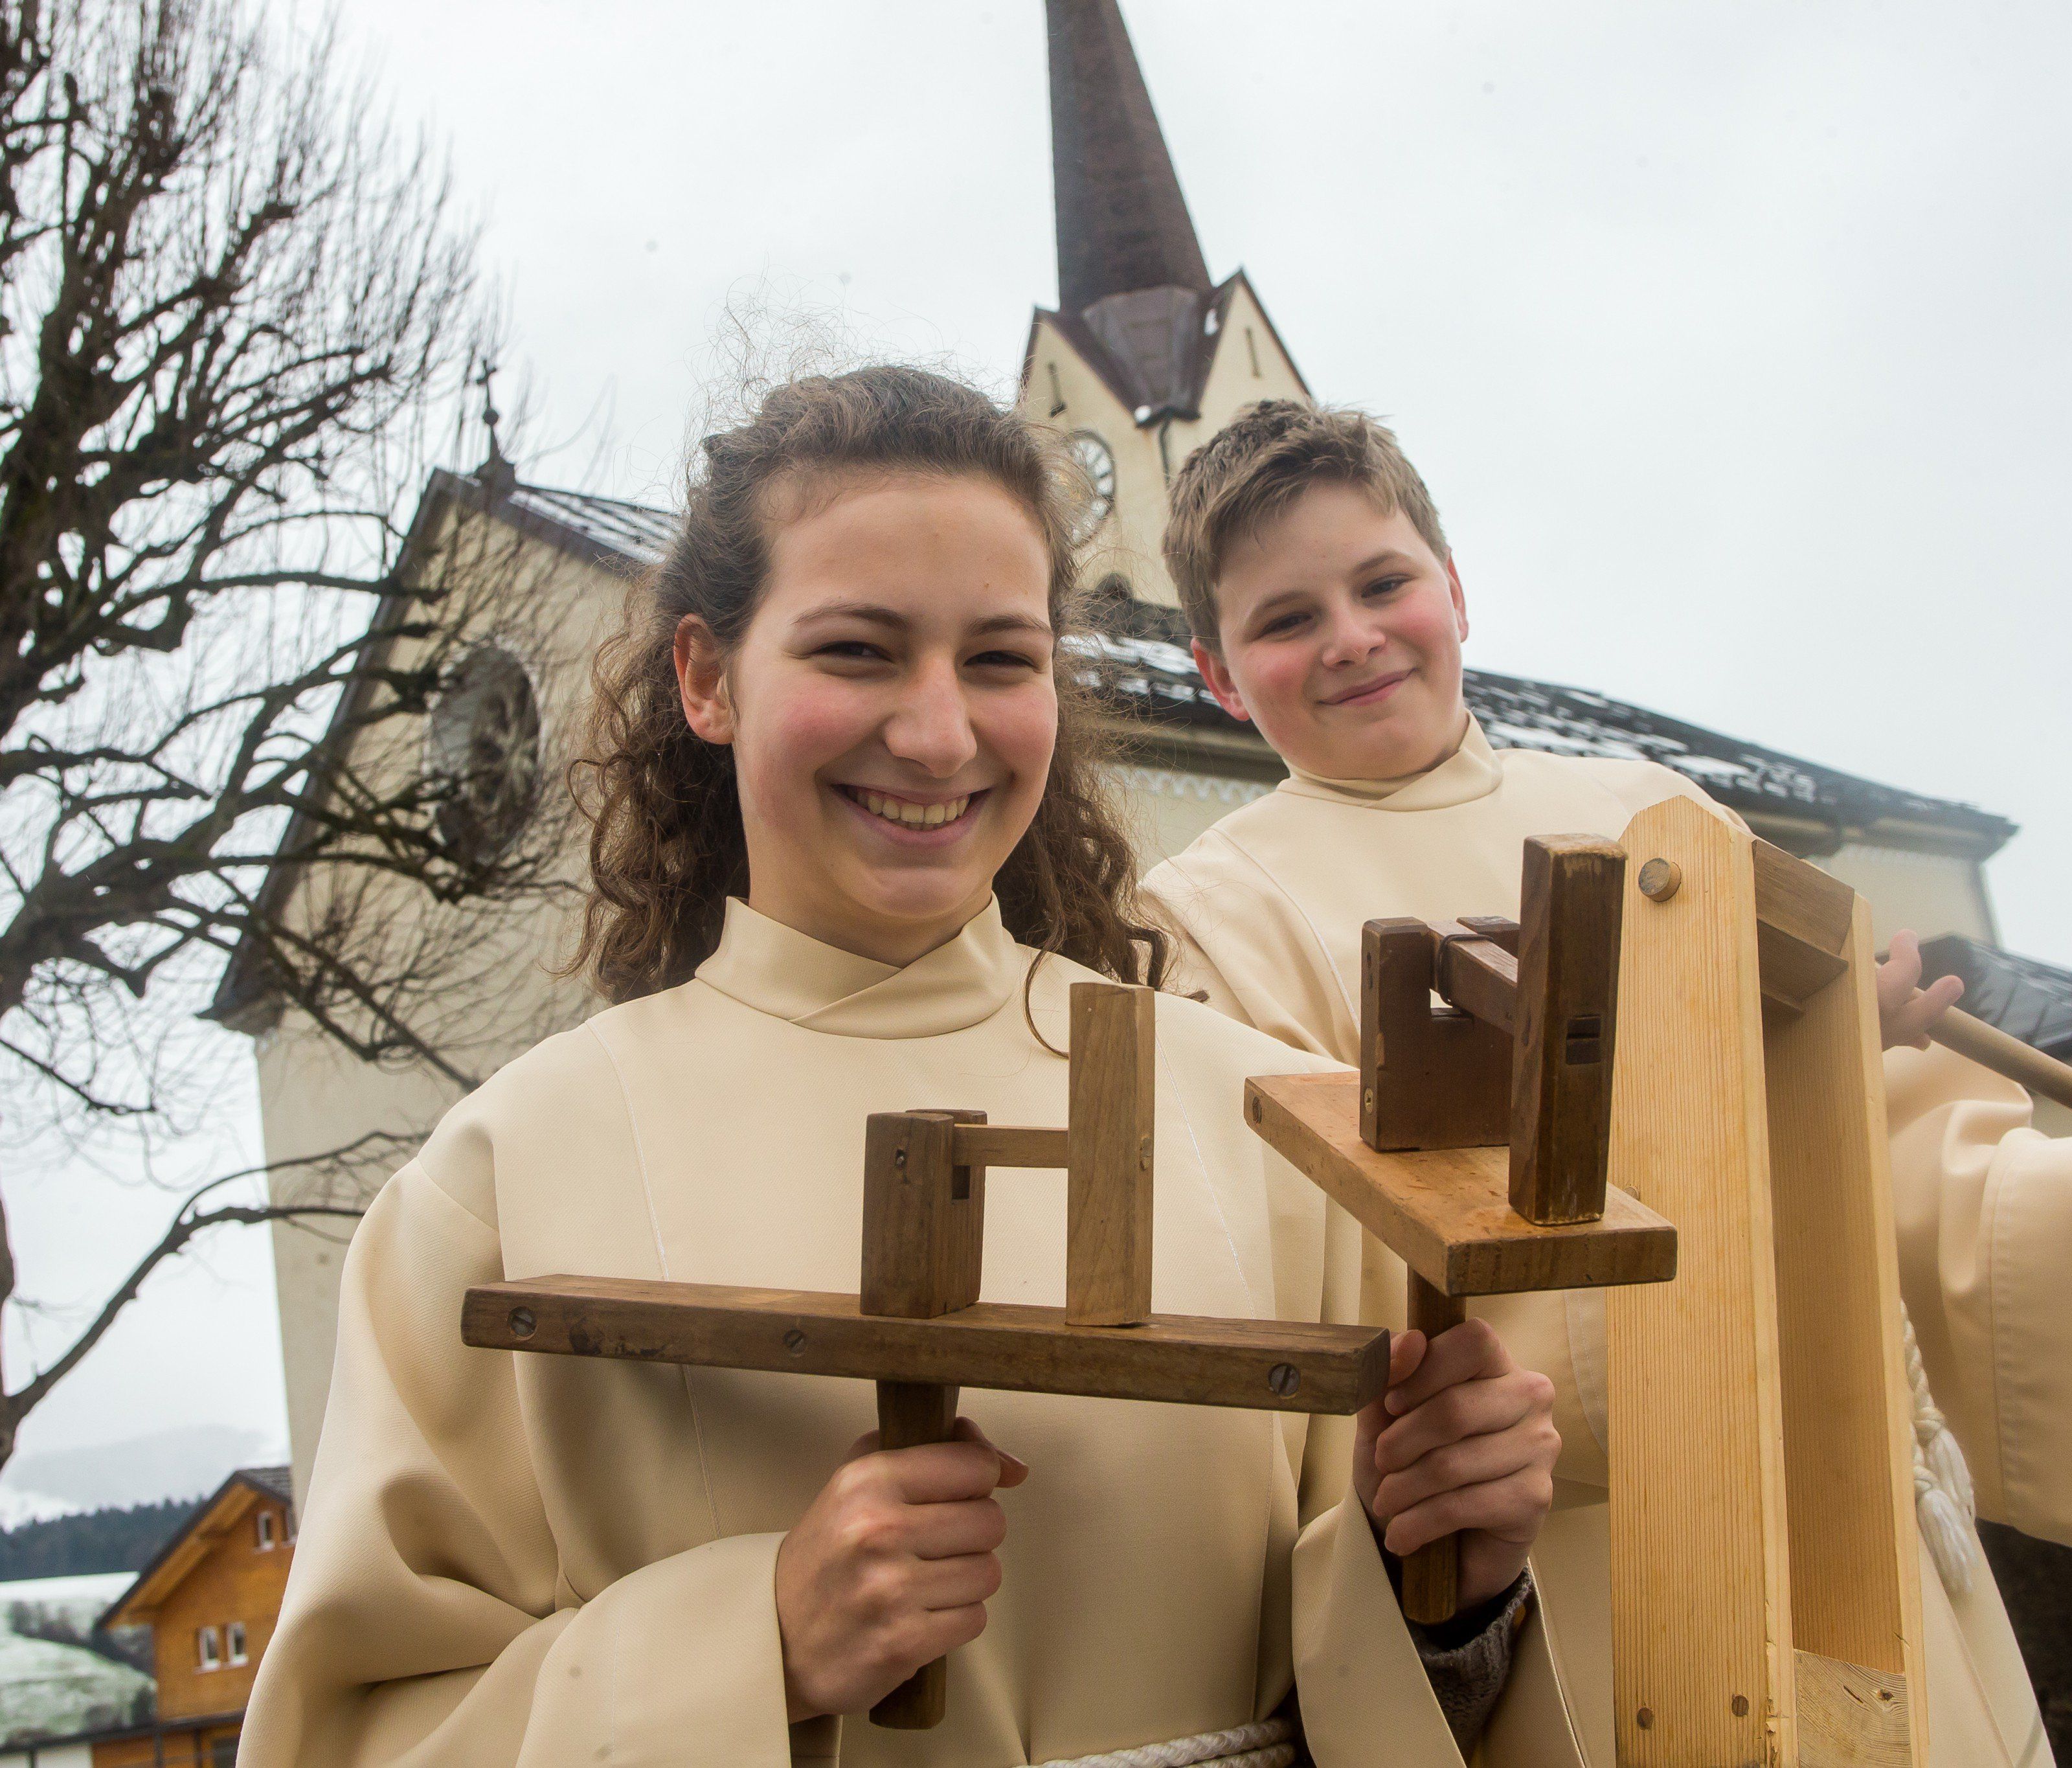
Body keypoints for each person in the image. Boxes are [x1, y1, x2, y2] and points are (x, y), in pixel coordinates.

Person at [240, 367, 1566, 1768]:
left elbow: (1400, 1687)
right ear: (705, 678)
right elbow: (359, 1731)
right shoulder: (501, 1182)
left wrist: (1446, 1590)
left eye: (1000, 660)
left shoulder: (1278, 1129)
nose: (939, 735)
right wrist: (749, 1650)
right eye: (858, 652)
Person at [1138, 398, 2065, 1768]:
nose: (1351, 637)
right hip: (1562, 1578)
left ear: (1453, 590)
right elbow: (1313, 1250)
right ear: (1221, 677)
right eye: (1284, 620)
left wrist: (1829, 1064)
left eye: (1384, 582)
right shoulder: (1209, 917)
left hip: (1833, 1509)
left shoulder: (1653, 813)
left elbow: (1901, 1168)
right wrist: (1736, 1083)